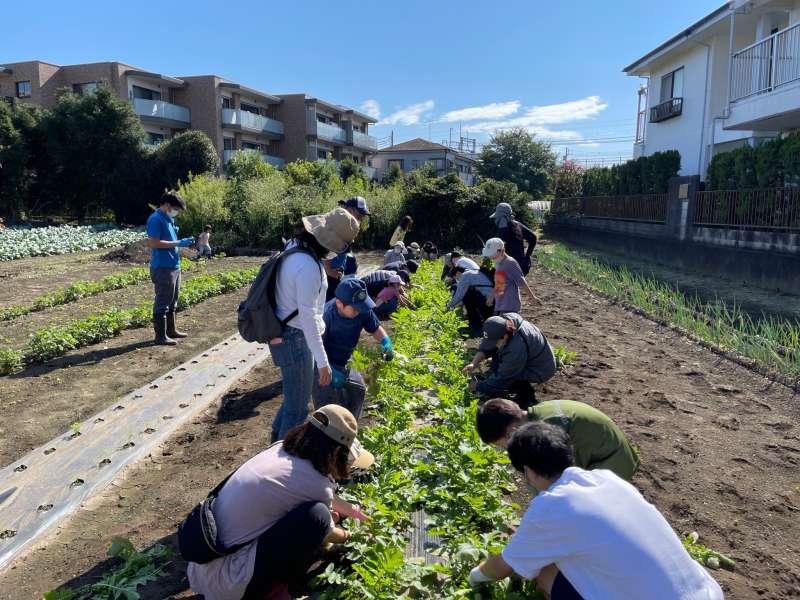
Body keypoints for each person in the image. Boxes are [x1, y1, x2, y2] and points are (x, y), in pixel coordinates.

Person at [467, 422, 723, 600]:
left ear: (528, 471)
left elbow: (503, 567)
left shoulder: (550, 506)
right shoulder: (606, 478)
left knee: (544, 570)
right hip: (707, 592)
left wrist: (473, 577)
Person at [188, 405, 374, 600]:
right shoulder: (315, 483)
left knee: (314, 515)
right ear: (335, 452)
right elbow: (327, 530)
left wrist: (356, 513)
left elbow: (321, 494)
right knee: (317, 517)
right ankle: (269, 591)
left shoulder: (280, 450)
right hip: (231, 581)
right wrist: (355, 537)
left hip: (203, 567)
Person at [270, 207, 360, 442]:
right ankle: (280, 456)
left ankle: (274, 441)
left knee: (292, 400)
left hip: (286, 333)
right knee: (297, 411)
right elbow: (308, 317)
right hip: (296, 339)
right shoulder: (308, 266)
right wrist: (323, 363)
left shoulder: (294, 247)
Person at [476, 398, 639, 481]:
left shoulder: (547, 430)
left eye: (501, 445)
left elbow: (557, 481)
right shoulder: (538, 413)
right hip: (606, 456)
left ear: (511, 433)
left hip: (613, 465)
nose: (506, 449)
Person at [312, 278, 394, 420]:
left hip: (345, 360)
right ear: (339, 303)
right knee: (328, 409)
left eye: (361, 307)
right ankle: (327, 430)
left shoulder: (362, 309)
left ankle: (350, 427)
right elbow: (315, 349)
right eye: (355, 308)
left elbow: (375, 328)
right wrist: (330, 370)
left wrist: (386, 342)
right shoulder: (326, 316)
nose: (359, 311)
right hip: (321, 365)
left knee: (358, 391)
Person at [464, 313, 556, 409]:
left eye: (495, 341)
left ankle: (526, 394)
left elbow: (503, 378)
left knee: (504, 382)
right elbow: (487, 345)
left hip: (540, 369)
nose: (492, 344)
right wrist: (473, 363)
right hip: (531, 356)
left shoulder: (516, 347)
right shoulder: (502, 323)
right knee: (497, 362)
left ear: (505, 336)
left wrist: (477, 386)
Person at [146, 191, 195, 346]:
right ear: (167, 205)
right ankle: (160, 336)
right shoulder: (155, 219)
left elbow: (169, 242)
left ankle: (171, 330)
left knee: (173, 300)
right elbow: (153, 243)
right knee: (163, 301)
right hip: (163, 267)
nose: (177, 212)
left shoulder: (168, 219)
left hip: (173, 265)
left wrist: (181, 245)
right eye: (176, 208)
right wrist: (179, 242)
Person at [325, 197, 369, 301]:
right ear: (350, 210)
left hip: (337, 271)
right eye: (359, 215)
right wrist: (328, 269)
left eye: (362, 216)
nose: (361, 219)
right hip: (329, 274)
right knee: (329, 303)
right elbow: (327, 244)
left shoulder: (349, 225)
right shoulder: (340, 224)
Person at [482, 238, 541, 315]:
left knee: (505, 323)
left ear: (502, 251)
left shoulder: (510, 263)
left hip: (510, 306)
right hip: (500, 305)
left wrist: (532, 297)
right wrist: (491, 296)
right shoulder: (498, 263)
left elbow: (521, 281)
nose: (491, 257)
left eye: (493, 255)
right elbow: (499, 283)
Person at [490, 202, 537, 275]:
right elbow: (533, 238)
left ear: (500, 216)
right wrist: (527, 256)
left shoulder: (502, 229)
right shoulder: (517, 224)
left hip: (509, 269)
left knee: (492, 275)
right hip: (523, 266)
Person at [447, 262, 494, 329]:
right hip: (492, 300)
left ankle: (475, 324)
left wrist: (448, 307)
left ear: (458, 273)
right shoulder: (472, 272)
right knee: (468, 293)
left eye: (456, 278)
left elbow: (459, 296)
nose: (457, 280)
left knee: (466, 296)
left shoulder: (465, 275)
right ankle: (478, 321)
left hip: (488, 302)